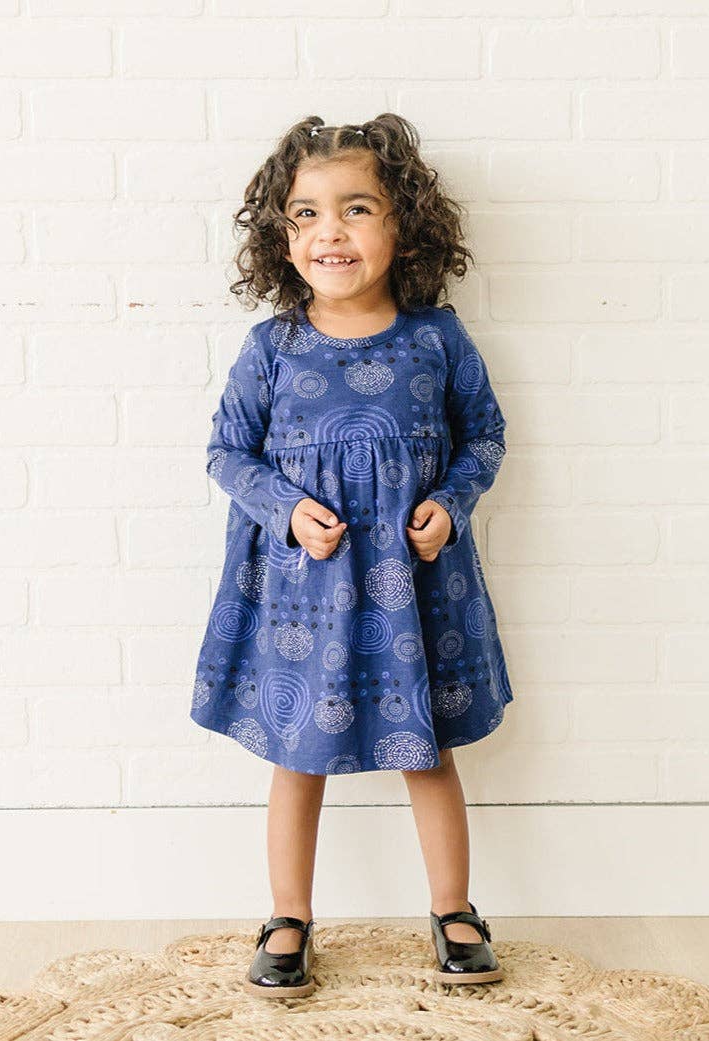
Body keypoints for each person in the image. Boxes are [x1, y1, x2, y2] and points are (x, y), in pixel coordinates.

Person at [190, 114, 514, 997]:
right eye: (305, 214)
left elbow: (483, 435)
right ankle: (286, 915)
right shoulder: (273, 347)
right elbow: (227, 452)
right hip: (305, 596)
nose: (328, 232)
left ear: (404, 223)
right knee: (297, 753)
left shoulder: (435, 339)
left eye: (356, 208)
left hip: (414, 591)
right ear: (281, 236)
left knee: (426, 749)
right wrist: (287, 509)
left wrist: (449, 504)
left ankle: (453, 907)